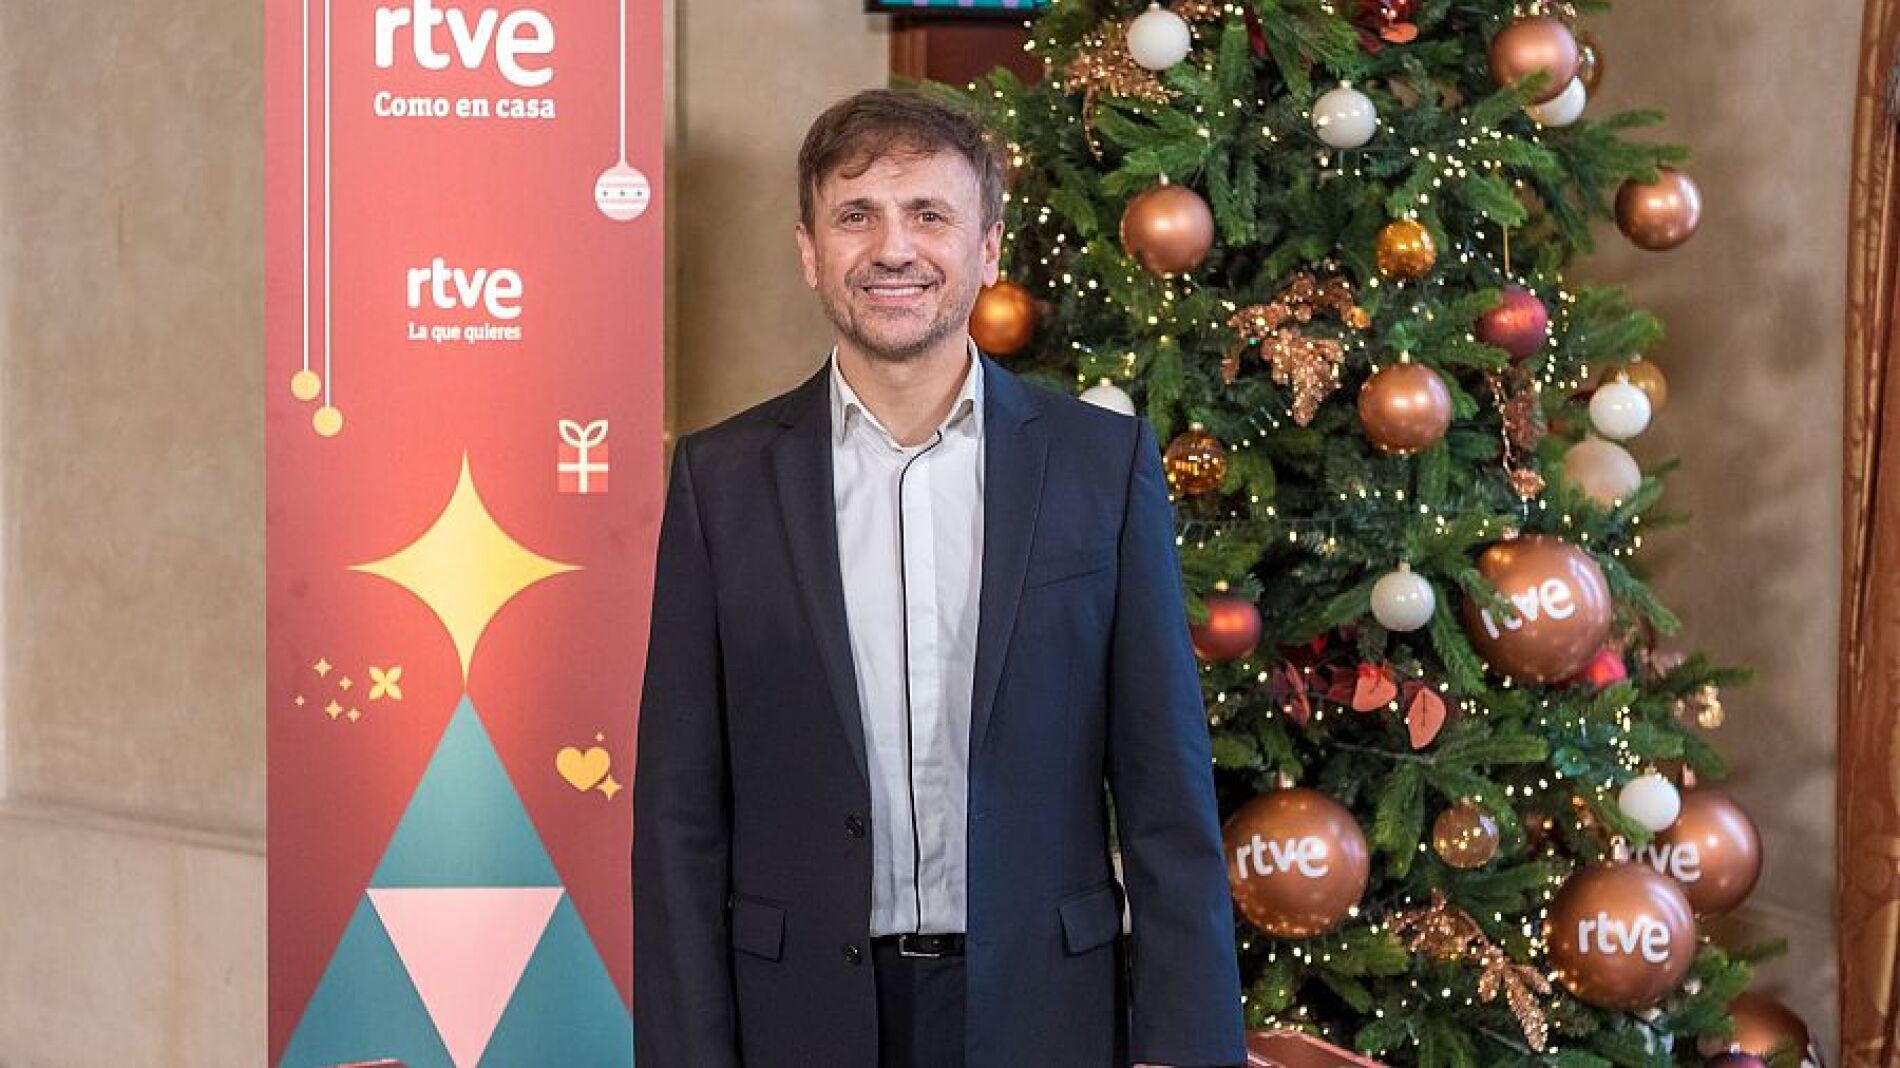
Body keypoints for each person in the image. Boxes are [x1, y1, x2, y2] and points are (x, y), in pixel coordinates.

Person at [632, 87, 1245, 1068]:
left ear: (988, 248)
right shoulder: (722, 480)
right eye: (856, 216)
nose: (893, 249)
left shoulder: (1099, 467)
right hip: (795, 1021)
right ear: (808, 251)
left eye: (929, 214)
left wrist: (1187, 1048)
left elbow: (1165, 795)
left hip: (1045, 1014)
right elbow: (679, 816)